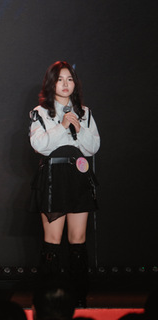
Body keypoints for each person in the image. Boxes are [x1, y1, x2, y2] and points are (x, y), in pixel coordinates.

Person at [29, 61, 100, 306]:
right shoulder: (40, 112)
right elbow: (40, 146)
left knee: (78, 238)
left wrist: (80, 128)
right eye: (60, 79)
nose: (65, 84)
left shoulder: (85, 112)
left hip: (78, 176)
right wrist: (62, 126)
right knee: (53, 240)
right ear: (52, 83)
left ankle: (79, 298)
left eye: (70, 79)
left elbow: (93, 147)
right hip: (53, 177)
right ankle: (50, 300)